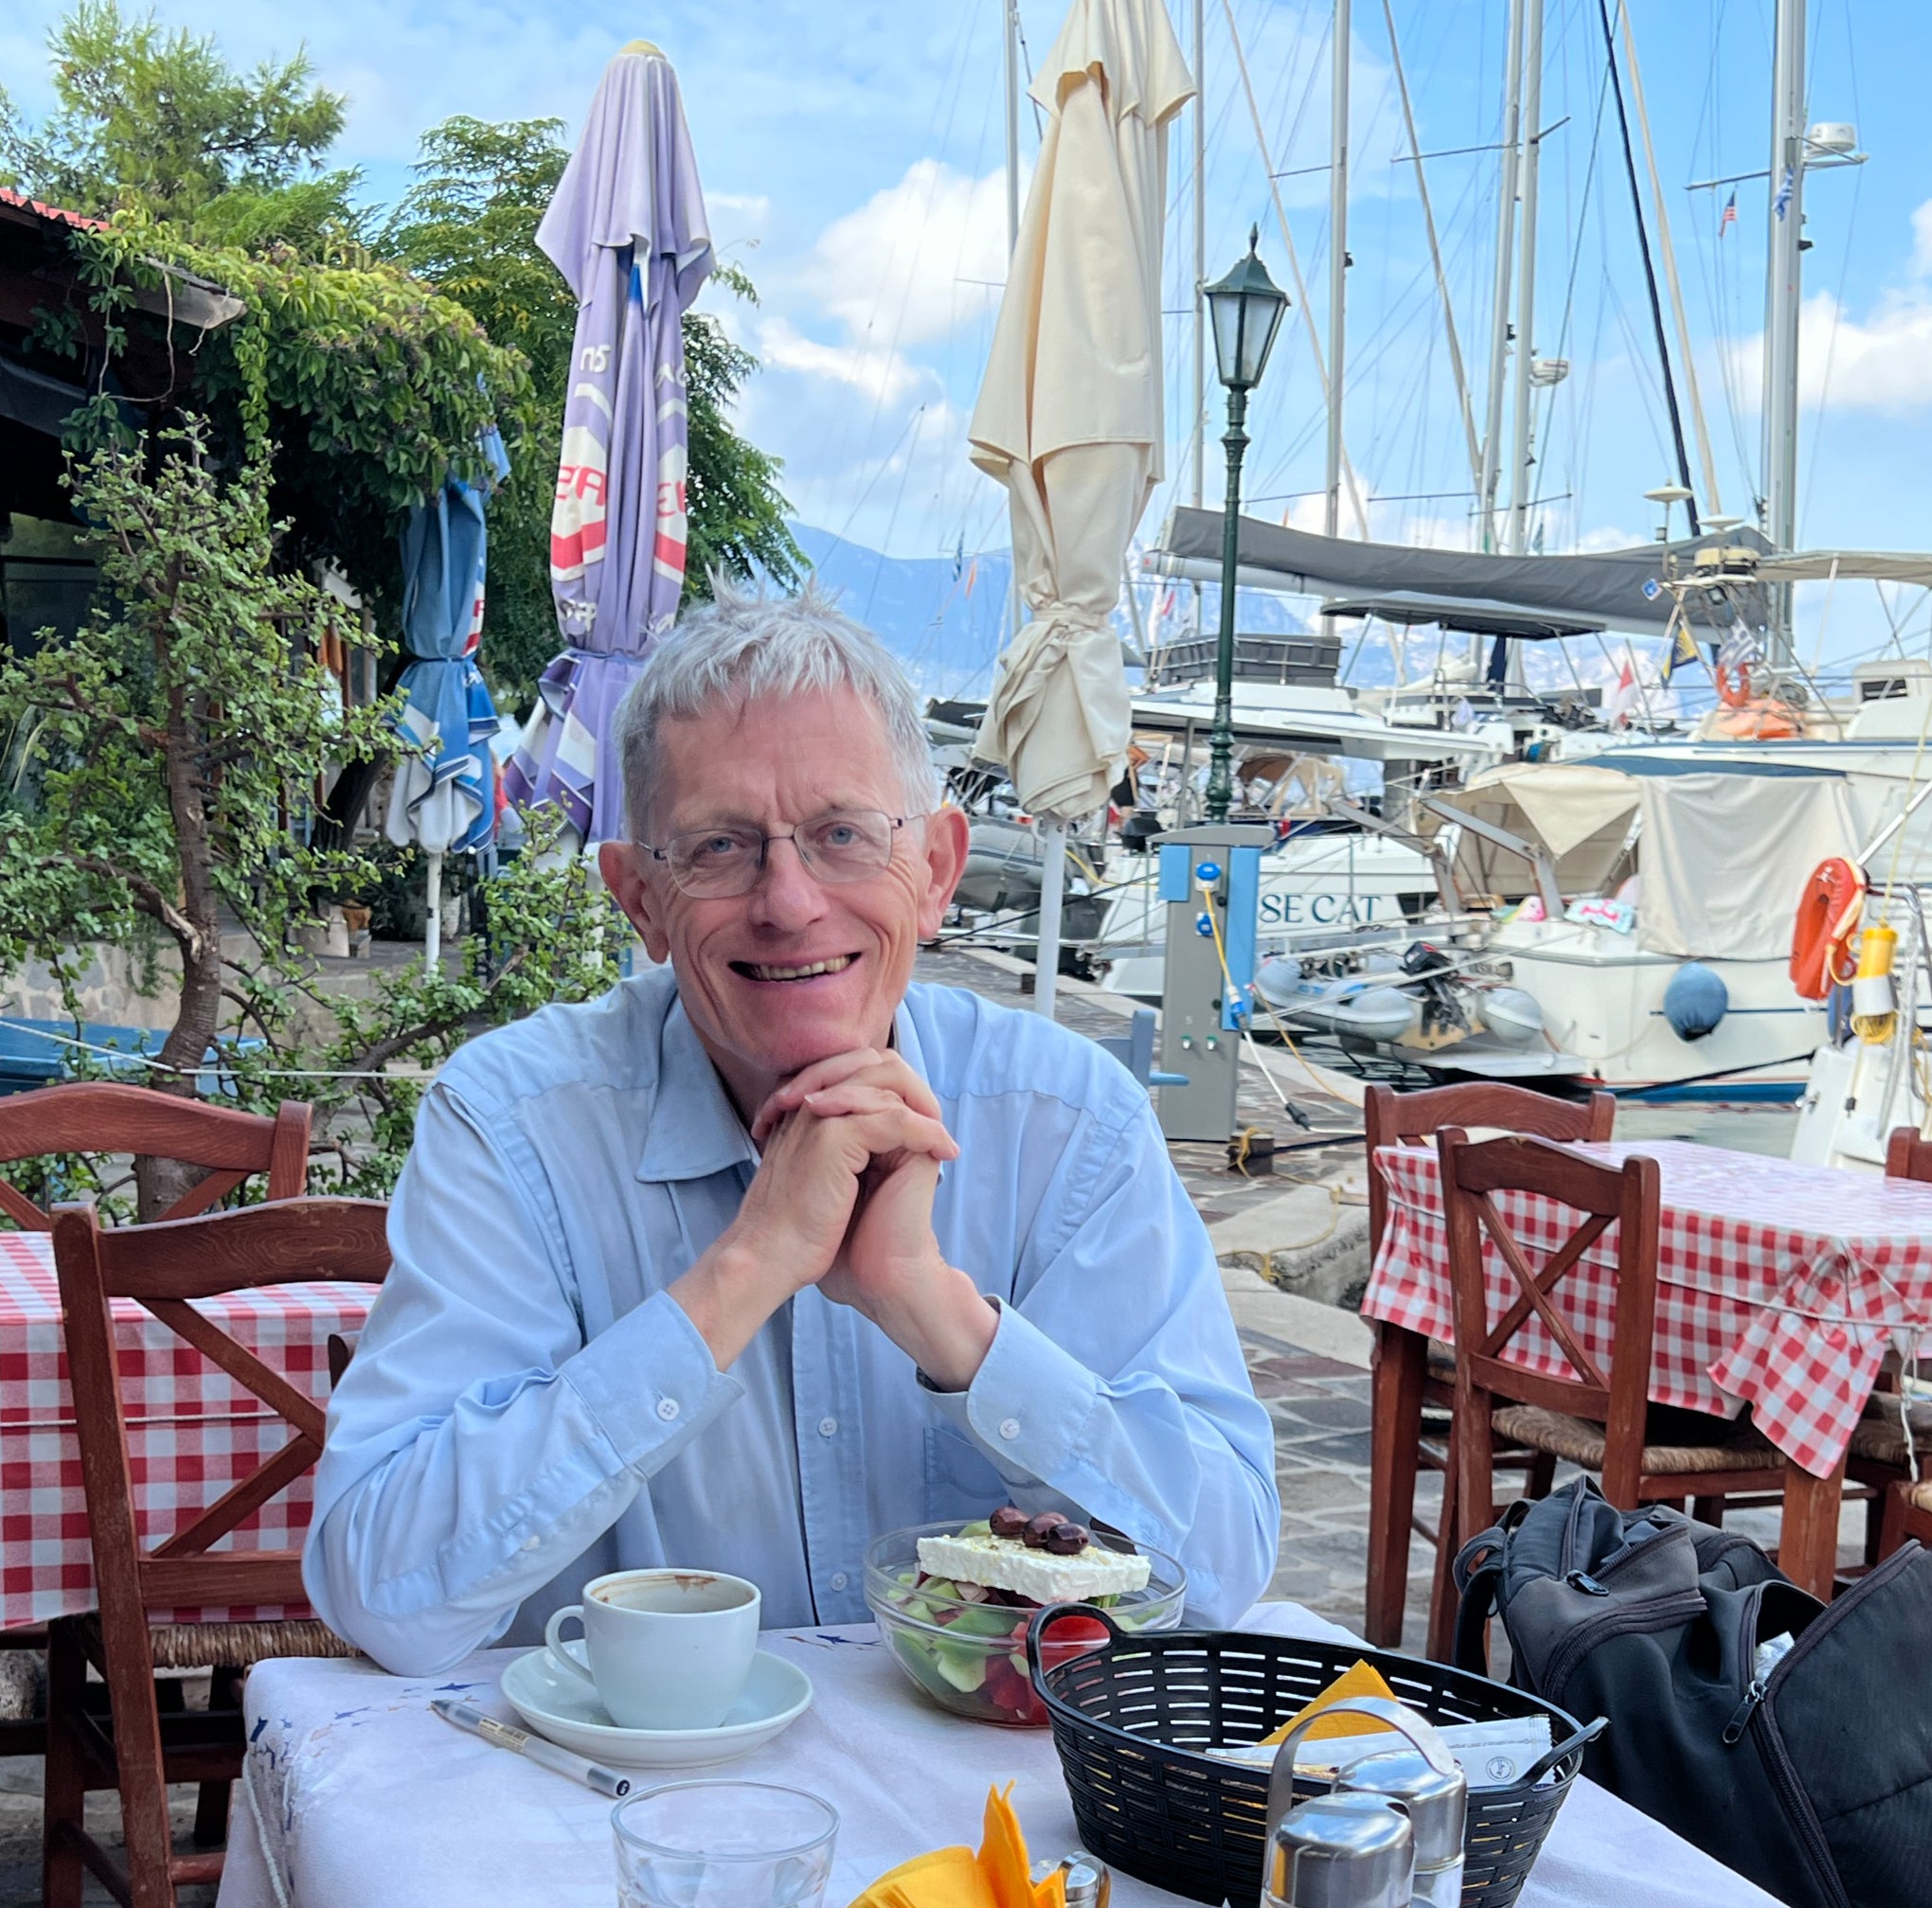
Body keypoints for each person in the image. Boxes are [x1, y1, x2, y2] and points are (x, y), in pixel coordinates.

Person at [307, 588, 1279, 1677]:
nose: (788, 899)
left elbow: (1222, 1564)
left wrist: (938, 1313)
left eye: (842, 835)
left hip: (992, 1820)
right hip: (637, 1818)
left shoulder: (1067, 1121)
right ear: (639, 899)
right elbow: (383, 1589)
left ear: (939, 871)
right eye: (720, 847)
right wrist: (745, 1268)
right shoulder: (515, 1122)